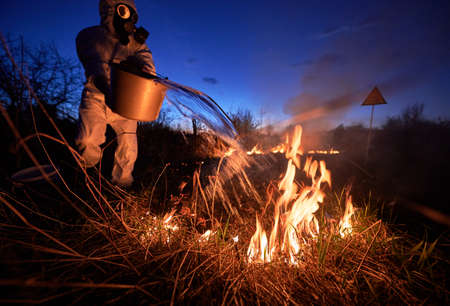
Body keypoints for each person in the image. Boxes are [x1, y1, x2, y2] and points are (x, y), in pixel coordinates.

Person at [75, 0, 156, 187]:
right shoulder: (89, 36)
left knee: (128, 147)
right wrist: (103, 79)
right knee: (87, 140)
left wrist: (144, 70)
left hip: (126, 98)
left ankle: (122, 186)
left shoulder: (136, 43)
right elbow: (93, 60)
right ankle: (88, 174)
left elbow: (148, 64)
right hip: (96, 96)